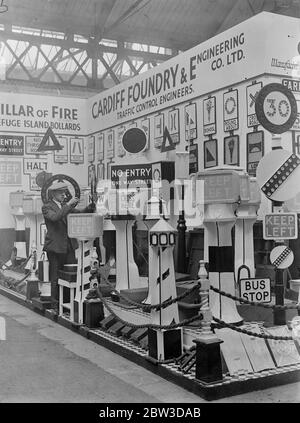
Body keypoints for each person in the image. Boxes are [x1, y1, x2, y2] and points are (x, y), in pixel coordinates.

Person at [42, 181, 95, 303]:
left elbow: (80, 213)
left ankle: (66, 300)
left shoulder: (65, 206)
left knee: (68, 274)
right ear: (53, 193)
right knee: (55, 275)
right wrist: (69, 205)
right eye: (61, 192)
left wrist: (91, 206)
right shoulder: (47, 207)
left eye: (64, 192)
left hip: (69, 246)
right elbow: (55, 218)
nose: (64, 195)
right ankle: (55, 303)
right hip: (55, 247)